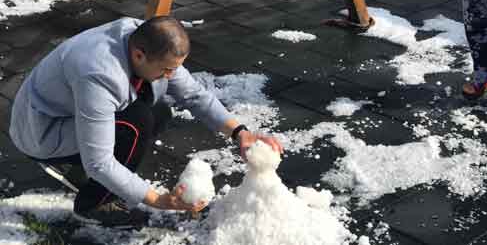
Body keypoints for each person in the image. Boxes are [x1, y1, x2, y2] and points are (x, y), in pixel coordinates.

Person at [9, 16, 283, 228]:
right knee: (136, 122)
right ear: (139, 55)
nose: (170, 76)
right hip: (42, 131)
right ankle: (94, 205)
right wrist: (157, 200)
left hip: (71, 113)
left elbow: (194, 94)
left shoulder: (148, 40)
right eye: (166, 70)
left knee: (158, 112)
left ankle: (94, 175)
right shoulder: (98, 75)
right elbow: (99, 161)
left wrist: (240, 133)